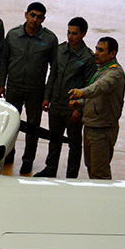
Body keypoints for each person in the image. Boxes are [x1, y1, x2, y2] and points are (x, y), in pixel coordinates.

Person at [0, 2, 57, 175]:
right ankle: (8, 155)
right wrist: (2, 84)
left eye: (39, 17)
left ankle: (28, 160)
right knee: (10, 124)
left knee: (33, 127)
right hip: (14, 87)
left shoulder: (49, 40)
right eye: (32, 15)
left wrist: (47, 95)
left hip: (36, 90)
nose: (35, 19)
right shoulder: (13, 35)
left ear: (43, 19)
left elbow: (54, 70)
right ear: (25, 15)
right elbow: (3, 60)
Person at [34, 17, 96, 178]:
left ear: (83, 34)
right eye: (69, 32)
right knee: (54, 139)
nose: (70, 36)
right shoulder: (60, 50)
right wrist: (47, 97)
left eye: (74, 33)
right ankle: (50, 168)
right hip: (56, 104)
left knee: (74, 143)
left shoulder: (88, 58)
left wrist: (80, 109)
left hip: (72, 108)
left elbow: (88, 87)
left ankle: (71, 174)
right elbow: (53, 75)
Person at [69, 37, 125, 180]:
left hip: (102, 130)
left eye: (101, 50)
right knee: (92, 168)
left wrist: (82, 92)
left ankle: (104, 201)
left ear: (112, 54)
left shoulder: (114, 73)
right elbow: (96, 97)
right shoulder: (102, 69)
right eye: (96, 49)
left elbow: (99, 87)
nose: (96, 53)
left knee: (100, 173)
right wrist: (80, 103)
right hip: (91, 126)